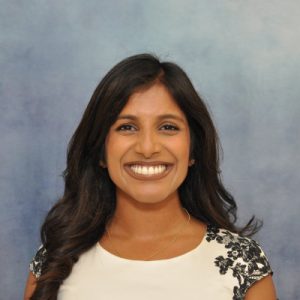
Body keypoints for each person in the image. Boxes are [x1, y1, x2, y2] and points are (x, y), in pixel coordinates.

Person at [24, 53, 277, 300]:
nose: (147, 148)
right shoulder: (55, 261)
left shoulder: (243, 263)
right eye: (127, 127)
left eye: (168, 127)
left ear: (193, 149)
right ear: (100, 150)